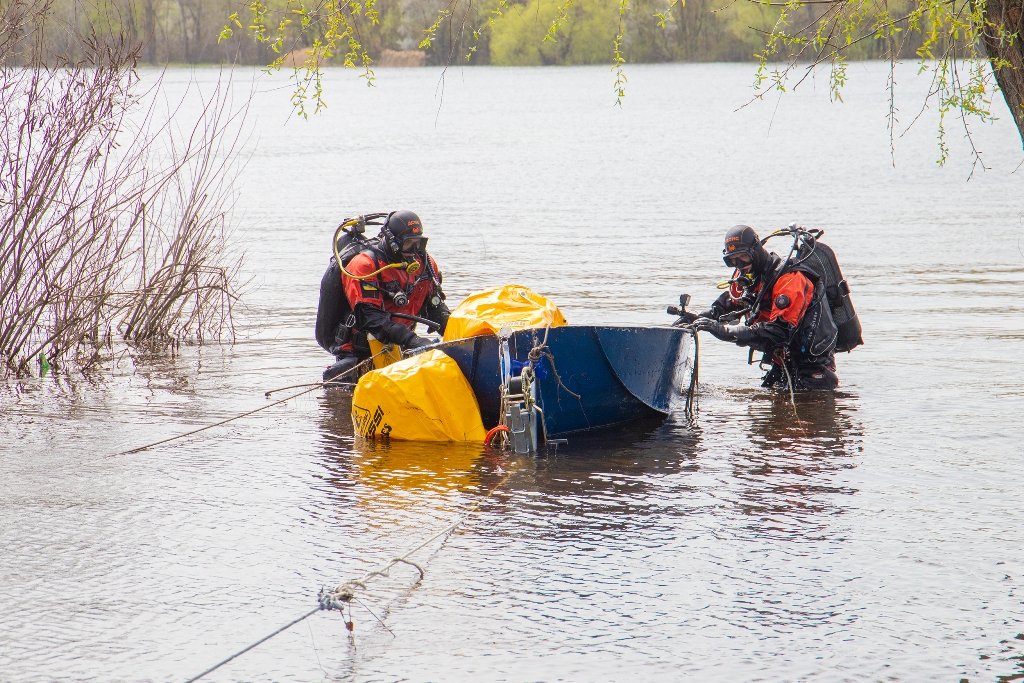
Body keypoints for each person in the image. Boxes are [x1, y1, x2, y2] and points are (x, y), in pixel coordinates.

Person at [679, 224, 839, 391]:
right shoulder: (746, 276)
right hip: (782, 363)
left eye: (743, 257)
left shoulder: (790, 279)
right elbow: (729, 302)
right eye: (732, 260)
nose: (739, 264)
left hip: (812, 368)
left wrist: (725, 332)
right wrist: (699, 318)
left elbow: (779, 332)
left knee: (804, 411)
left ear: (756, 250)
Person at [318, 210, 450, 382]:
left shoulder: (425, 263)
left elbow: (434, 306)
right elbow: (371, 319)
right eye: (408, 243)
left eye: (418, 243)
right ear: (392, 242)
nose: (414, 250)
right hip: (360, 349)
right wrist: (413, 340)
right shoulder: (364, 265)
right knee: (346, 381)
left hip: (402, 344)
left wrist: (454, 330)